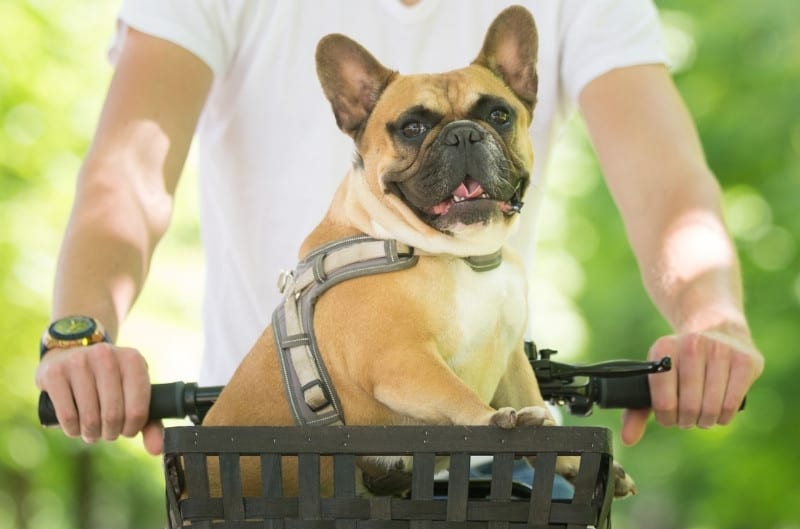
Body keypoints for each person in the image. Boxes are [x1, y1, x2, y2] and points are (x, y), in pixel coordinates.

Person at [35, 0, 764, 456]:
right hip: (274, 460)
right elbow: (128, 173)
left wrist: (713, 320)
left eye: (493, 119)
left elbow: (666, 183)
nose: (461, 143)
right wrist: (82, 333)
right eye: (418, 130)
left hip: (488, 478)